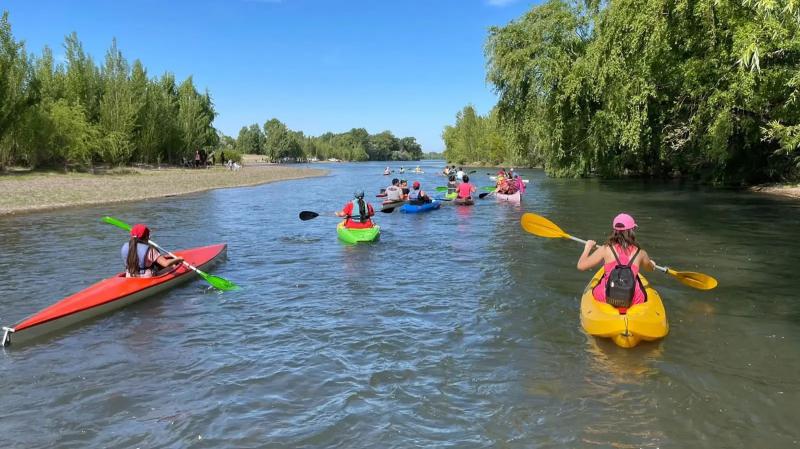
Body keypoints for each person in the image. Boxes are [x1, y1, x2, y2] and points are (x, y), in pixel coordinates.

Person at [576, 213, 656, 308]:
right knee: (640, 293)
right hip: (633, 299)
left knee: (599, 290)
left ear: (614, 231)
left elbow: (581, 266)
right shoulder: (640, 253)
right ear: (632, 231)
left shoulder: (605, 249)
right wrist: (652, 264)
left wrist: (588, 247)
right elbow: (651, 269)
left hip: (606, 297)